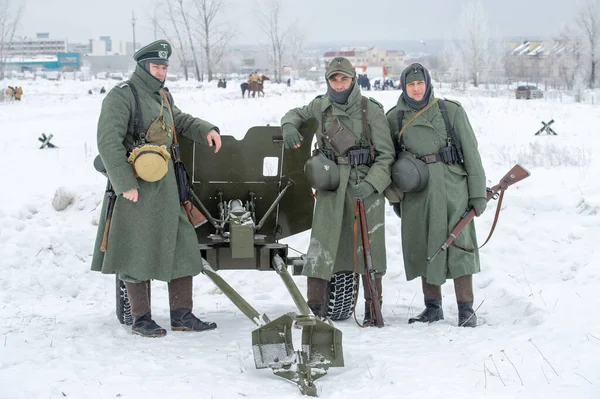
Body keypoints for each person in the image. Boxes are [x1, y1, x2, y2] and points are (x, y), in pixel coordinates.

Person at [90, 39, 222, 337]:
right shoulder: (122, 96)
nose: (161, 71)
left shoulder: (161, 95)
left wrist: (207, 129)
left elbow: (180, 121)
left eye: (164, 67)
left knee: (183, 247)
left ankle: (182, 315)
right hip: (136, 186)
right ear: (142, 66)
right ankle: (141, 319)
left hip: (166, 186)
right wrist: (124, 183)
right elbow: (108, 142)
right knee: (135, 251)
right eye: (156, 66)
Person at [281, 57, 395, 326]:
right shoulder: (321, 106)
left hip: (364, 184)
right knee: (322, 244)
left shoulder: (371, 110)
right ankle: (315, 309)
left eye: (344, 78)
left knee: (369, 247)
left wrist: (371, 184)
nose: (339, 84)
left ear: (353, 79)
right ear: (328, 81)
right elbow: (295, 113)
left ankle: (372, 308)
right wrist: (288, 126)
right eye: (334, 79)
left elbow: (386, 155)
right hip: (331, 185)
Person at [385, 63, 486, 327]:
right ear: (404, 87)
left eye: (420, 84)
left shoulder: (450, 110)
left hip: (452, 188)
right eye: (411, 85)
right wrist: (396, 197)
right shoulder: (394, 117)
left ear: (428, 84)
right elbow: (387, 160)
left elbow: (472, 155)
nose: (416, 89)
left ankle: (466, 308)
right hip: (418, 191)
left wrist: (477, 195)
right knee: (424, 244)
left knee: (460, 244)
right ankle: (432, 308)